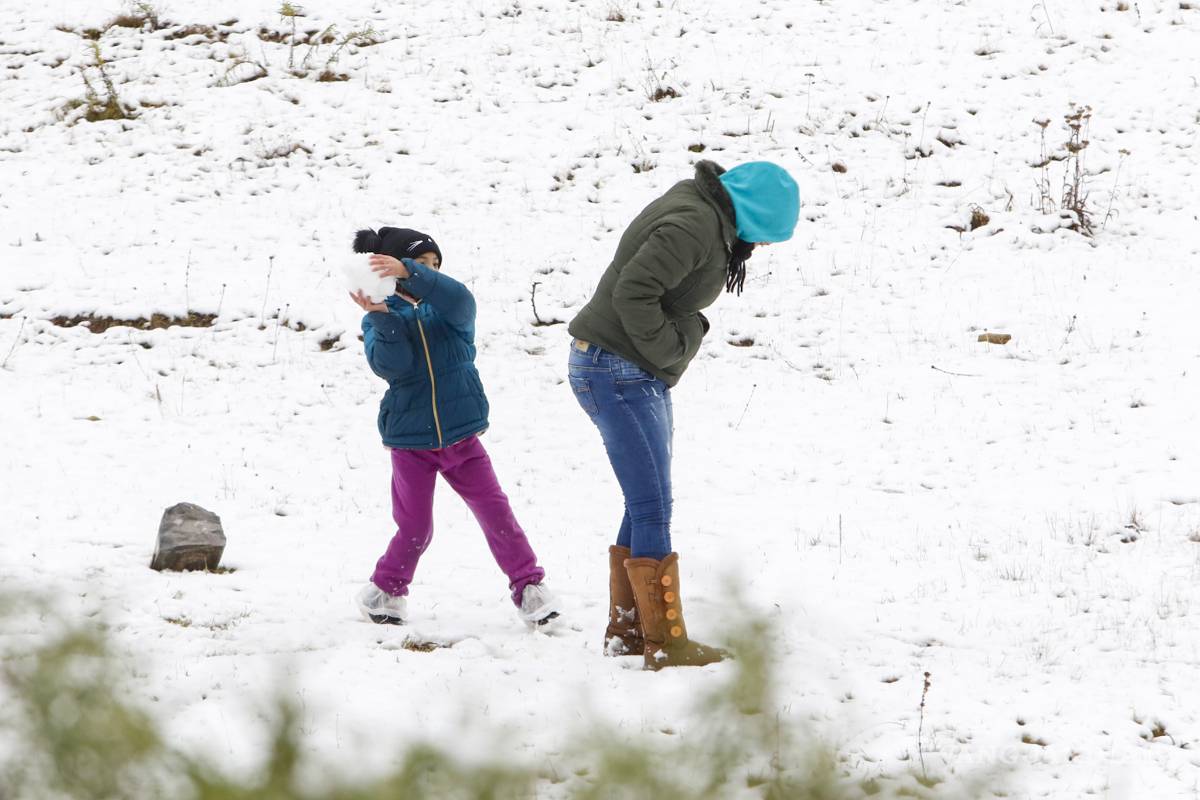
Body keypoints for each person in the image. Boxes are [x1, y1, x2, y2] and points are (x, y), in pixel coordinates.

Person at [566, 160, 800, 669]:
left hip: (619, 365)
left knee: (643, 500)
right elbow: (634, 292)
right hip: (618, 368)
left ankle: (627, 630)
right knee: (652, 506)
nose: (758, 248)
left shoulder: (702, 214)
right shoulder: (693, 225)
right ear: (753, 214)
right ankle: (664, 642)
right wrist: (670, 349)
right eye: (763, 236)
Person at [349, 226, 559, 628]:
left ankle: (529, 587)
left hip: (462, 438)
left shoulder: (449, 311)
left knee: (497, 513)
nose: (427, 271)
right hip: (411, 444)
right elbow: (391, 367)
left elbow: (459, 298)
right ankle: (385, 591)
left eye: (432, 265)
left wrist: (411, 270)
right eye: (417, 263)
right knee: (415, 527)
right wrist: (380, 317)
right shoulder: (380, 320)